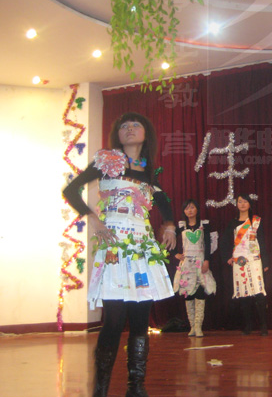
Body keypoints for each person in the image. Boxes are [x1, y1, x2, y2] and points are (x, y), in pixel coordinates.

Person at [62, 112, 176, 397]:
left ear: (146, 133)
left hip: (141, 247)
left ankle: (135, 387)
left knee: (140, 320)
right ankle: (100, 389)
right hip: (114, 244)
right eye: (124, 126)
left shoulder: (148, 170)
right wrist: (94, 219)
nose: (129, 129)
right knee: (113, 319)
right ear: (118, 134)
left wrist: (170, 224)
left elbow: (162, 199)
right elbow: (71, 190)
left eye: (135, 125)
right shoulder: (106, 162)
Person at [220, 194, 269, 335]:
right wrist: (227, 258)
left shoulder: (256, 221)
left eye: (245, 201)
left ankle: (263, 326)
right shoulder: (233, 223)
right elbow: (224, 242)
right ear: (236, 204)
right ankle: (248, 325)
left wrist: (265, 261)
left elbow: (262, 241)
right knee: (243, 293)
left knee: (258, 291)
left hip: (254, 259)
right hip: (239, 261)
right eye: (239, 201)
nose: (242, 204)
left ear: (250, 204)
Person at [173, 199, 216, 338]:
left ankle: (198, 326)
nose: (190, 210)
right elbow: (169, 240)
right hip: (186, 264)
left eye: (192, 207)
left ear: (197, 209)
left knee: (200, 292)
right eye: (187, 208)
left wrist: (207, 260)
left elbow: (208, 244)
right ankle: (192, 326)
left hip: (200, 261)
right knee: (188, 293)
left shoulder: (204, 225)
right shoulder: (181, 226)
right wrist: (175, 254)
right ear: (184, 211)